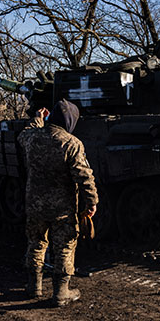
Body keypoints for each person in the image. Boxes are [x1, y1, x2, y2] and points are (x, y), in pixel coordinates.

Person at [18, 99, 99, 307]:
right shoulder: (71, 143)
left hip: (34, 203)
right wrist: (91, 201)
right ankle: (61, 293)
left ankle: (33, 287)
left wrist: (37, 120)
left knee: (36, 242)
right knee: (64, 246)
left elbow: (23, 134)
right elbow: (84, 177)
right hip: (62, 207)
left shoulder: (32, 138)